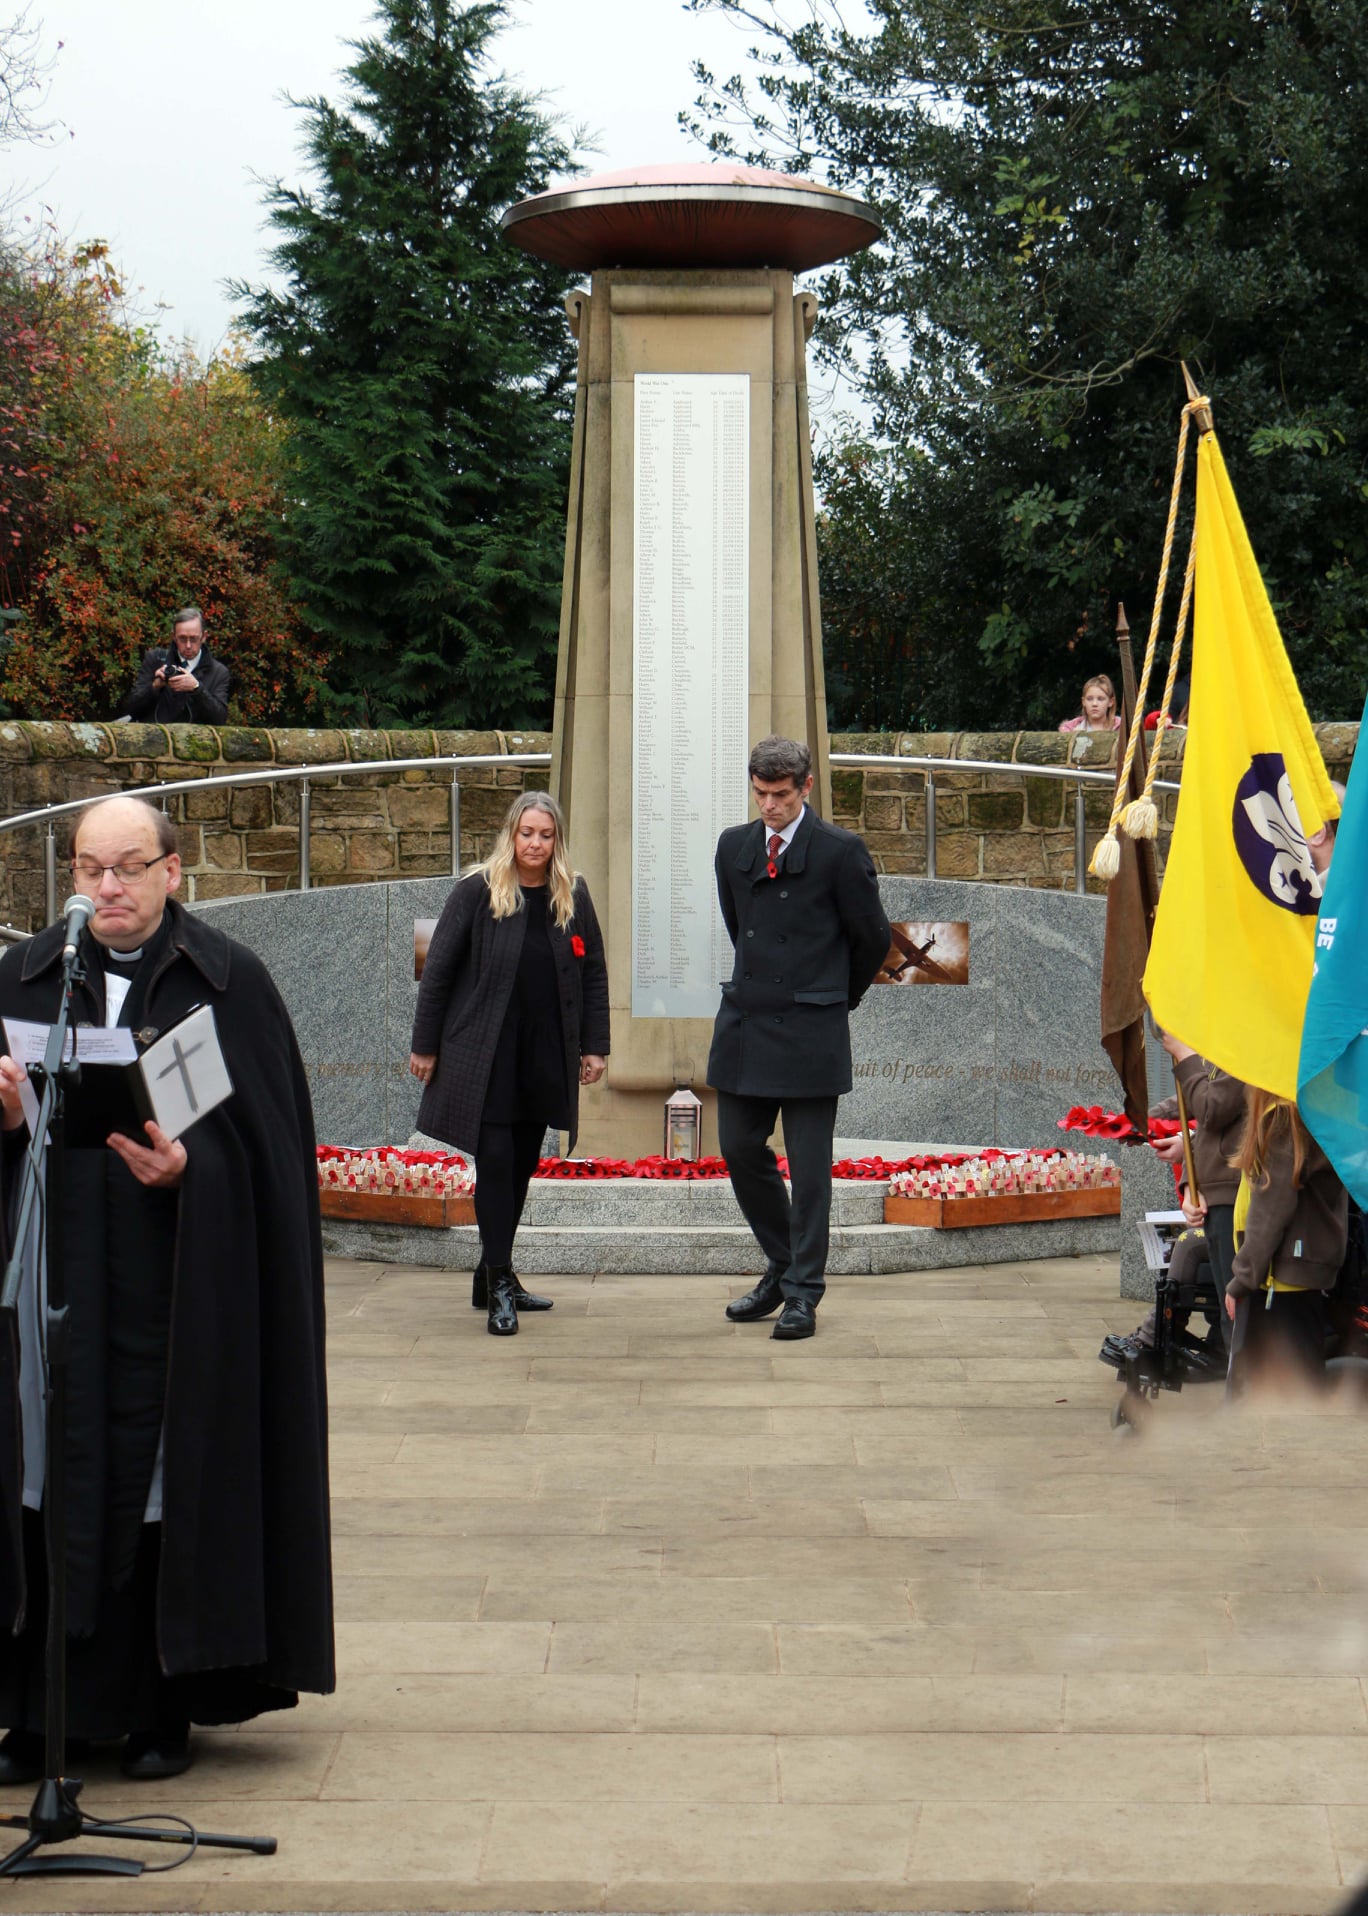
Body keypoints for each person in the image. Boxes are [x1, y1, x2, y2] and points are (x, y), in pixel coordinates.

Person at [0, 796, 333, 1783]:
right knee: (39, 1464)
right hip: (48, 1268)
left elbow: (270, 1155)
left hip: (172, 1280)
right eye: (89, 866)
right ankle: (29, 1706)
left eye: (128, 865)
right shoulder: (23, 979)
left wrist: (199, 1169)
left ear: (173, 871)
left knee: (154, 1472)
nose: (106, 885)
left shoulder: (227, 983)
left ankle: (155, 1706)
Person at [708, 736, 891, 1341]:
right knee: (738, 1148)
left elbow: (871, 940)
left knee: (810, 1172)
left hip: (812, 1029)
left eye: (781, 795)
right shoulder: (733, 847)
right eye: (760, 794)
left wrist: (835, 998)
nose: (769, 806)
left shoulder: (840, 852)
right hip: (748, 1022)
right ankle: (783, 1264)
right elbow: (742, 931)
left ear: (806, 788)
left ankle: (802, 1294)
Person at [408, 792, 609, 1335]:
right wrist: (424, 1046)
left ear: (557, 839)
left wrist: (594, 1046)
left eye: (545, 835)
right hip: (487, 1050)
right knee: (495, 1160)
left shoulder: (572, 894)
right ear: (511, 835)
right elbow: (440, 972)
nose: (536, 844)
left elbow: (593, 974)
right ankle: (499, 1281)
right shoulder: (478, 890)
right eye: (527, 833)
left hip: (545, 1051)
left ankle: (491, 1271)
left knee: (520, 1163)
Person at [1224, 1088, 1348, 1392]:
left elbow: (1270, 1210)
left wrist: (1242, 1278)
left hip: (1279, 1277)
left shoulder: (1282, 1118)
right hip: (1293, 1272)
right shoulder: (1311, 1112)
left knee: (1283, 1392)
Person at [124, 606, 231, 726]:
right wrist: (155, 687)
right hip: (155, 739)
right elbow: (131, 710)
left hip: (195, 742)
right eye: (182, 639)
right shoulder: (156, 659)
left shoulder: (218, 672)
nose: (188, 645)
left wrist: (197, 689)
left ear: (204, 637)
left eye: (194, 639)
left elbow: (219, 719)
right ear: (174, 637)